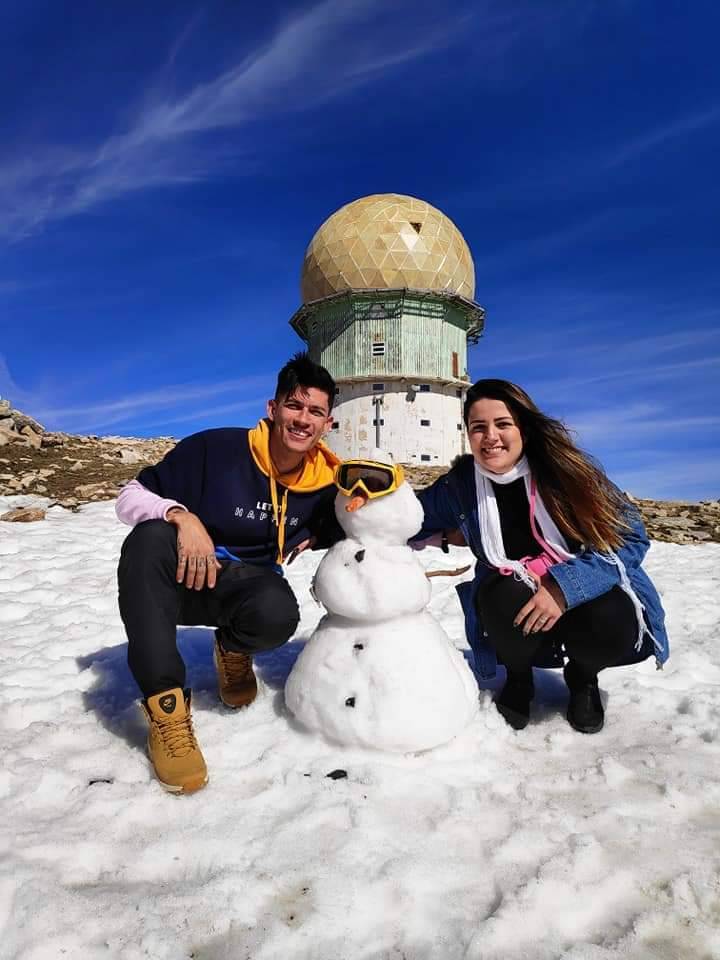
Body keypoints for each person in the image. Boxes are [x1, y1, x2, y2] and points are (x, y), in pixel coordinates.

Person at [115, 352, 341, 793]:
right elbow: (130, 496)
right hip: (179, 577)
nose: (303, 420)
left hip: (243, 590)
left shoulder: (323, 482)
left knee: (277, 613)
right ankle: (167, 711)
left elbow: (355, 518)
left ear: (327, 423)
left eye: (315, 411)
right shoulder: (215, 449)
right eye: (294, 406)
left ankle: (232, 648)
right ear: (272, 409)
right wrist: (180, 514)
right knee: (147, 540)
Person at [414, 378, 668, 734]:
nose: (490, 437)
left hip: (584, 593)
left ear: (524, 427)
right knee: (501, 594)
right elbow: (407, 516)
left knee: (610, 615)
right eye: (478, 427)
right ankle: (519, 677)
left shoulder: (567, 472)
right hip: (514, 595)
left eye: (503, 424)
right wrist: (354, 500)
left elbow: (631, 537)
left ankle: (583, 677)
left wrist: (564, 588)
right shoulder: (460, 486)